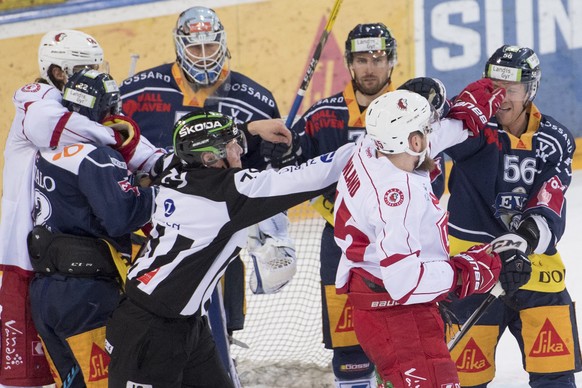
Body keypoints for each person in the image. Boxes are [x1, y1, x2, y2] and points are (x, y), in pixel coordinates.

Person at [104, 109, 356, 388]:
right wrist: (370, 146)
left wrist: (254, 130)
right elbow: (311, 177)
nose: (239, 152)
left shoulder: (174, 166)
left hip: (184, 324)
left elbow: (196, 149)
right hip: (148, 334)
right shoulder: (225, 194)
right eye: (231, 146)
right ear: (210, 158)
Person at [262, 23, 448, 387]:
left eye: (378, 58)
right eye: (362, 59)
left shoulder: (414, 109)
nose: (370, 68)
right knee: (349, 353)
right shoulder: (322, 115)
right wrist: (283, 152)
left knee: (410, 345)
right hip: (344, 246)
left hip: (408, 242)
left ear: (391, 61)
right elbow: (296, 169)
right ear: (349, 63)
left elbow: (433, 177)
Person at [118, 6, 292, 381]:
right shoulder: (137, 90)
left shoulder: (255, 99)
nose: (203, 55)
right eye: (194, 48)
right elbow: (120, 155)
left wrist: (275, 157)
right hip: (148, 242)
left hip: (216, 240)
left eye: (210, 45)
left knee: (214, 333)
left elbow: (261, 179)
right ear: (179, 47)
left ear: (223, 43)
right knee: (147, 333)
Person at [0, 29, 163, 388]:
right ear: (58, 72)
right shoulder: (37, 96)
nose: (92, 72)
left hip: (52, 269)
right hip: (26, 259)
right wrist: (116, 138)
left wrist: (163, 162)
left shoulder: (88, 121)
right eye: (83, 66)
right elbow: (49, 126)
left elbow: (148, 157)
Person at [333, 89, 503, 388]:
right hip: (399, 319)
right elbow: (404, 282)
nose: (431, 133)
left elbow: (422, 139)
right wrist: (465, 273)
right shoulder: (399, 196)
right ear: (414, 141)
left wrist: (467, 113)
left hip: (377, 308)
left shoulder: (370, 148)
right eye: (427, 128)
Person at [443, 45, 582, 387]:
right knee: (464, 381)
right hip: (472, 269)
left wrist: (523, 240)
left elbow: (549, 199)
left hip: (534, 267)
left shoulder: (556, 139)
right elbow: (430, 140)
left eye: (513, 89)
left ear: (530, 89)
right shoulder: (468, 129)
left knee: (556, 378)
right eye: (494, 86)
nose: (501, 97)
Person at [27, 68, 155, 388]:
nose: (115, 115)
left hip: (44, 293)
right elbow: (120, 218)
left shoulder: (43, 150)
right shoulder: (96, 156)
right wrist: (154, 193)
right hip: (86, 297)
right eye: (111, 108)